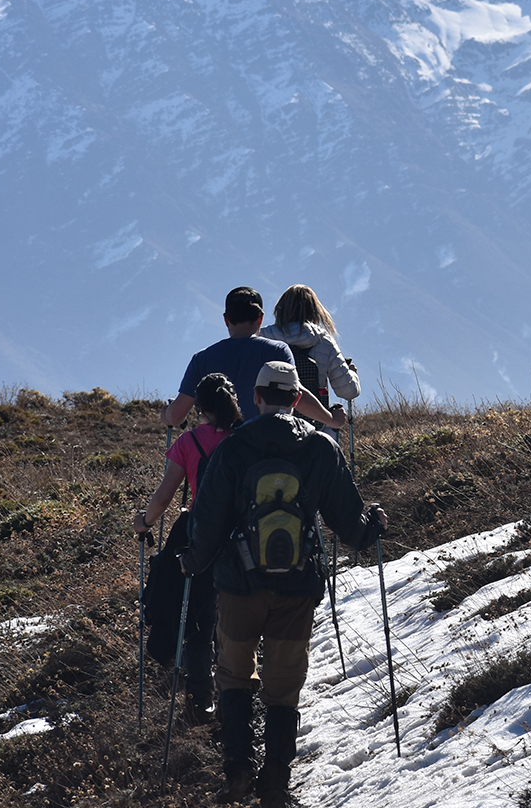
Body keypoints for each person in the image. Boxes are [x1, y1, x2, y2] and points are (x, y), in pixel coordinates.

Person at [181, 361, 387, 805]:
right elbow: (350, 527)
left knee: (234, 675)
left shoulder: (233, 449)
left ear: (255, 398)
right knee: (284, 684)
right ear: (297, 399)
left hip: (238, 584)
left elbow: (209, 520)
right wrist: (373, 526)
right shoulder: (320, 448)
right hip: (298, 584)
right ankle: (275, 785)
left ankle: (237, 773)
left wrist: (192, 561)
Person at [133, 372, 242, 720]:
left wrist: (144, 521)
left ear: (200, 407)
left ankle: (199, 700)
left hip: (198, 532)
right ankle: (237, 695)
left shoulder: (189, 442)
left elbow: (165, 494)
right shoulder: (243, 438)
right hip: (241, 532)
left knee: (198, 617)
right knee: (237, 617)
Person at [161, 287, 347, 432]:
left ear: (226, 319)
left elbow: (177, 415)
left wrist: (167, 415)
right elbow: (298, 395)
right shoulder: (278, 351)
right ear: (260, 319)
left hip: (219, 459)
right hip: (262, 452)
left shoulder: (202, 359)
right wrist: (332, 419)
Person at [260, 285, 362, 410]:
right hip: (316, 422)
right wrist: (351, 373)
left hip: (270, 421)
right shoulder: (324, 341)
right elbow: (348, 391)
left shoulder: (262, 337)